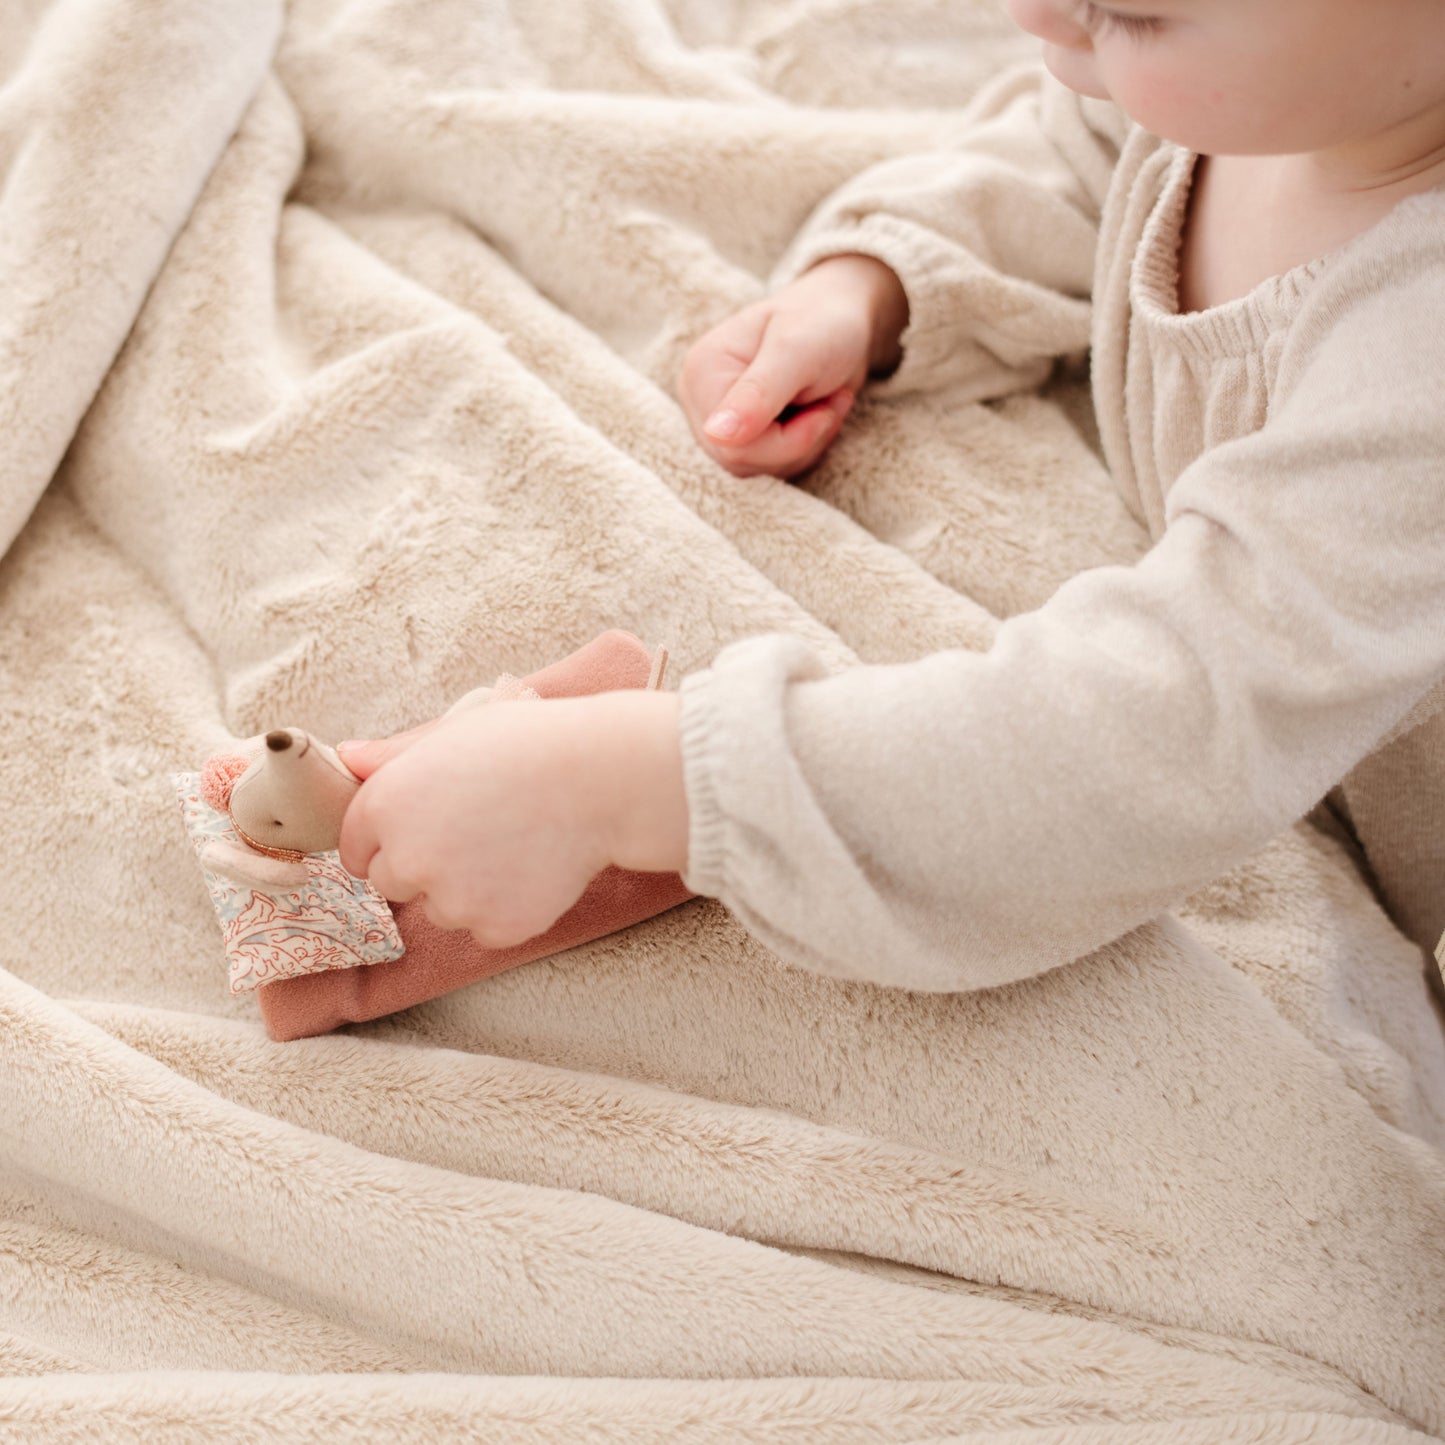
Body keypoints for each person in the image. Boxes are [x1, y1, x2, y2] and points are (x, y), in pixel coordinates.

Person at [338, 0, 1445, 993]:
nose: (1035, 18)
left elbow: (1146, 735)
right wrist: (880, 286)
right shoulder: (1304, 92)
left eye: (1134, 15)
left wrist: (630, 782)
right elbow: (1086, 154)